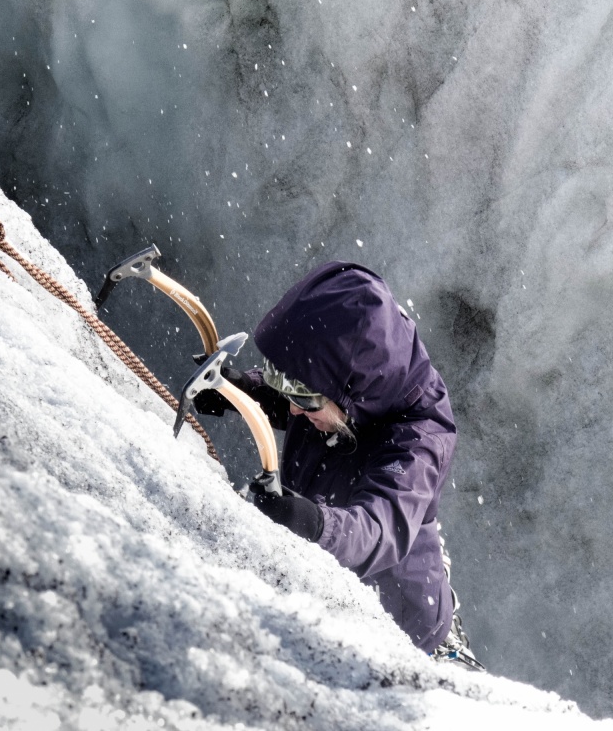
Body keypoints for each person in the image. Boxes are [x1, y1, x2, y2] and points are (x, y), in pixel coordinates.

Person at [195, 261, 481, 666]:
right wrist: (242, 391)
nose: (293, 410)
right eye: (286, 386)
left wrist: (313, 523)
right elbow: (301, 396)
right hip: (328, 587)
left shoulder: (421, 436)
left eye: (304, 397)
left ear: (356, 389)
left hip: (402, 637)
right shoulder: (343, 387)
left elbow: (379, 530)